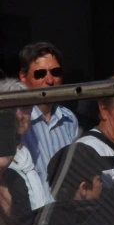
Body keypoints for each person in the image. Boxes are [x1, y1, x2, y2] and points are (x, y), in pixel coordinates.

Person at [17, 43, 79, 195]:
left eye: (55, 72)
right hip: (33, 214)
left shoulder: (69, 118)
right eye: (40, 74)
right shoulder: (17, 122)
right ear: (23, 77)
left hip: (66, 210)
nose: (50, 80)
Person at [0, 80, 49, 210]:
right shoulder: (3, 157)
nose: (20, 115)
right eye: (12, 108)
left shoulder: (26, 151)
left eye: (25, 107)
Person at [47, 143, 114, 202]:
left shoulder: (46, 218)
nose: (102, 182)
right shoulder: (99, 218)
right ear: (84, 188)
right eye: (99, 179)